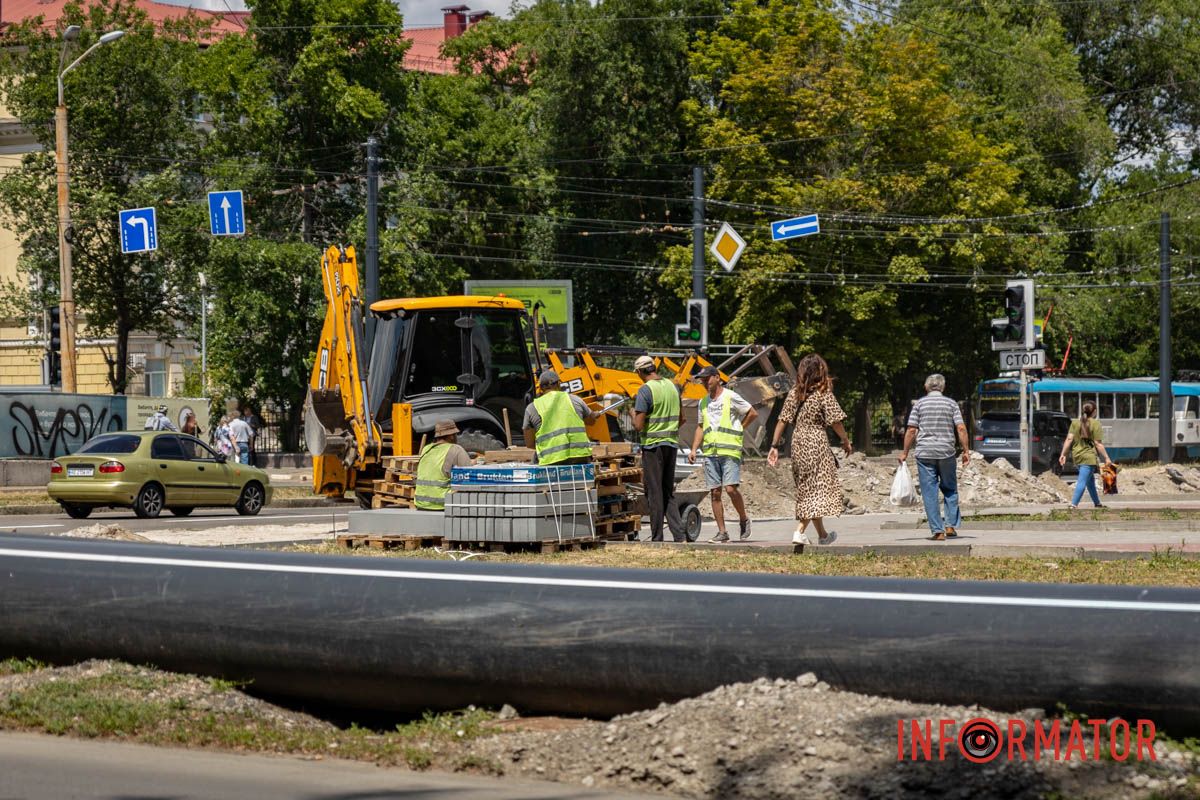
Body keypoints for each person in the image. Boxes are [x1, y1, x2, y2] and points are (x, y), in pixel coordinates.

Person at [767, 354, 851, 546]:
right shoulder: (824, 393)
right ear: (820, 371)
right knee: (817, 489)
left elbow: (783, 420)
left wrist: (773, 446)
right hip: (816, 441)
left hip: (797, 443)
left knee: (808, 488)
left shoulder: (795, 393)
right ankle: (799, 531)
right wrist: (845, 440)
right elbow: (835, 421)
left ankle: (823, 535)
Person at [688, 365, 757, 543]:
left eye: (707, 378)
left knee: (731, 489)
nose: (704, 382)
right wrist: (694, 448)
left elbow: (752, 412)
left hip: (730, 450)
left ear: (717, 378)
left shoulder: (730, 396)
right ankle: (722, 532)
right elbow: (701, 427)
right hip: (711, 452)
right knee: (715, 493)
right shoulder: (703, 402)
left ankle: (743, 519)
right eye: (702, 380)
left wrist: (741, 427)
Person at [899, 374, 971, 541]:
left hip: (925, 454)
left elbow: (911, 430)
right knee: (950, 488)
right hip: (947, 453)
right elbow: (960, 428)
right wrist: (966, 450)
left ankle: (937, 531)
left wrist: (905, 452)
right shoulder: (951, 403)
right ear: (943, 387)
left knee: (929, 492)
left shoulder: (919, 404)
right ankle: (950, 525)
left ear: (926, 387)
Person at [632, 354, 686, 543]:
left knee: (654, 493)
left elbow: (638, 425)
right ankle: (679, 535)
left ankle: (657, 537)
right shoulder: (673, 386)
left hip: (653, 448)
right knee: (667, 491)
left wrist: (633, 412)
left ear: (639, 372)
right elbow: (682, 419)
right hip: (671, 445)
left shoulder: (645, 390)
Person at [521, 369, 600, 465]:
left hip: (551, 461)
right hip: (580, 457)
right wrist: (593, 415)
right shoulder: (576, 400)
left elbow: (529, 443)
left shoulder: (532, 408)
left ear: (541, 388)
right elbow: (591, 422)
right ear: (558, 384)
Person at [1058, 400, 1112, 509]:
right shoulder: (1095, 424)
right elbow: (1098, 444)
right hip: (1089, 457)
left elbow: (1069, 439)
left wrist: (1063, 454)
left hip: (1077, 456)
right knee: (1082, 480)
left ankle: (1097, 503)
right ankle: (1073, 504)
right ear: (1094, 411)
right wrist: (1107, 458)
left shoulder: (1075, 423)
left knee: (1090, 481)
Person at [415, 419, 474, 511]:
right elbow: (470, 476)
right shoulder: (456, 449)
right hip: (442, 504)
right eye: (455, 434)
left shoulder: (426, 449)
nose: (456, 437)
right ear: (451, 435)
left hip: (421, 503)